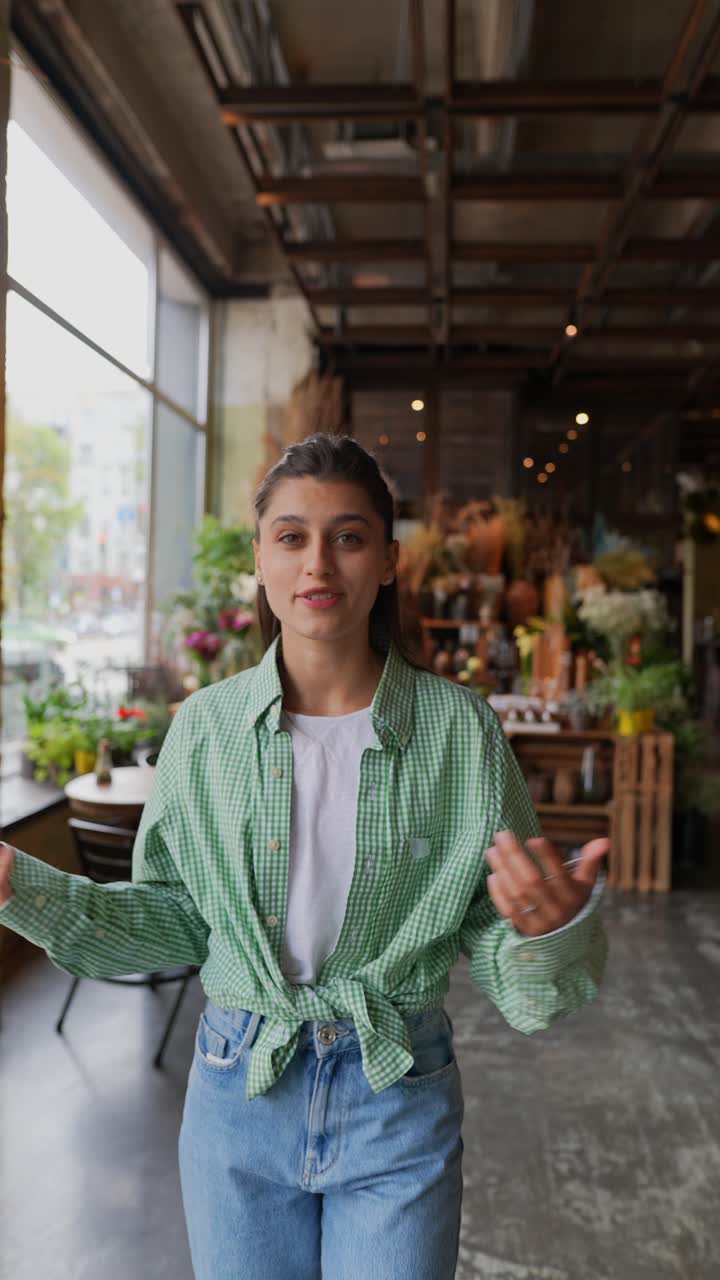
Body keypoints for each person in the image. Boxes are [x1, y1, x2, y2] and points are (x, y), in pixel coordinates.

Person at [0, 433, 609, 1279]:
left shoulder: (459, 732)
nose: (319, 561)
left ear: (389, 560)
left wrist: (548, 930)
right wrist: (21, 888)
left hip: (398, 1096)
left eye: (349, 536)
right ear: (259, 558)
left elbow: (497, 944)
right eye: (291, 536)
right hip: (236, 1097)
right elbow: (176, 920)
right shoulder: (205, 730)